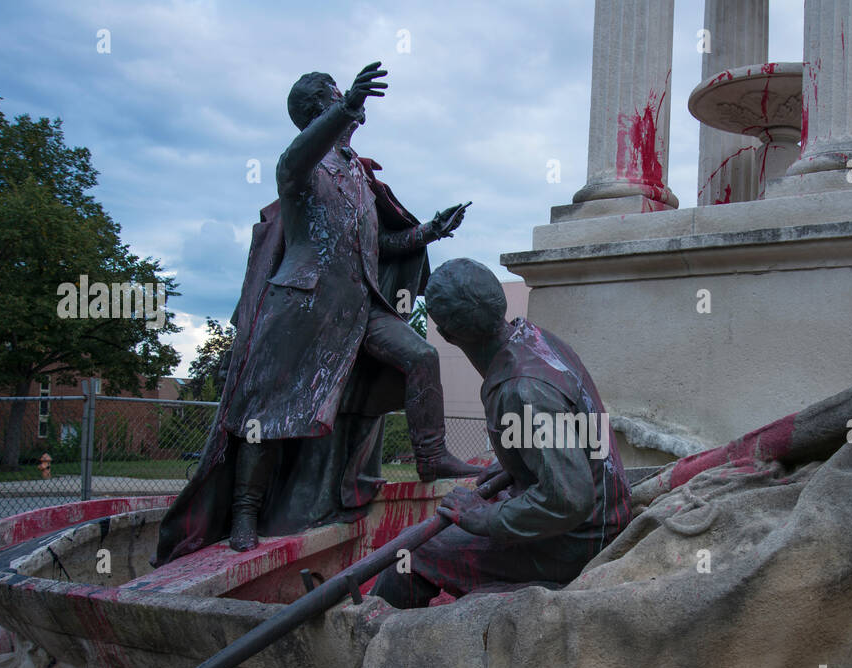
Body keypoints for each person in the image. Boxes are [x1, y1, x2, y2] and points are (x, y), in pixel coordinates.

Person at [153, 63, 478, 566]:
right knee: (268, 415)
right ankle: (245, 513)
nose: (355, 104)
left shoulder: (358, 175)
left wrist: (430, 231)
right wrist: (344, 109)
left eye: (348, 97)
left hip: (359, 305)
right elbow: (293, 159)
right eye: (337, 97)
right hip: (301, 306)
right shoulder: (303, 166)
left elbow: (378, 246)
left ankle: (430, 456)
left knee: (420, 356)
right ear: (317, 113)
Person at [370, 259, 633, 607]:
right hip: (600, 517)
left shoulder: (521, 390)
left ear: (447, 334)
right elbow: (568, 432)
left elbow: (568, 499)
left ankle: (375, 641)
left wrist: (483, 517)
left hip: (579, 542)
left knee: (411, 552)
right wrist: (517, 466)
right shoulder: (533, 338)